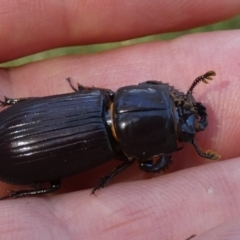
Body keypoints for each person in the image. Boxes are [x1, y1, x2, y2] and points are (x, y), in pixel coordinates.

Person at [0, 1, 240, 239]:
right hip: (16, 151)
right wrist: (165, 155)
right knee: (53, 186)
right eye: (175, 101)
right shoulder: (104, 110)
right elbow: (148, 164)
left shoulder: (98, 97)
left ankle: (9, 105)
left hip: (14, 134)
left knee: (51, 179)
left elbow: (149, 94)